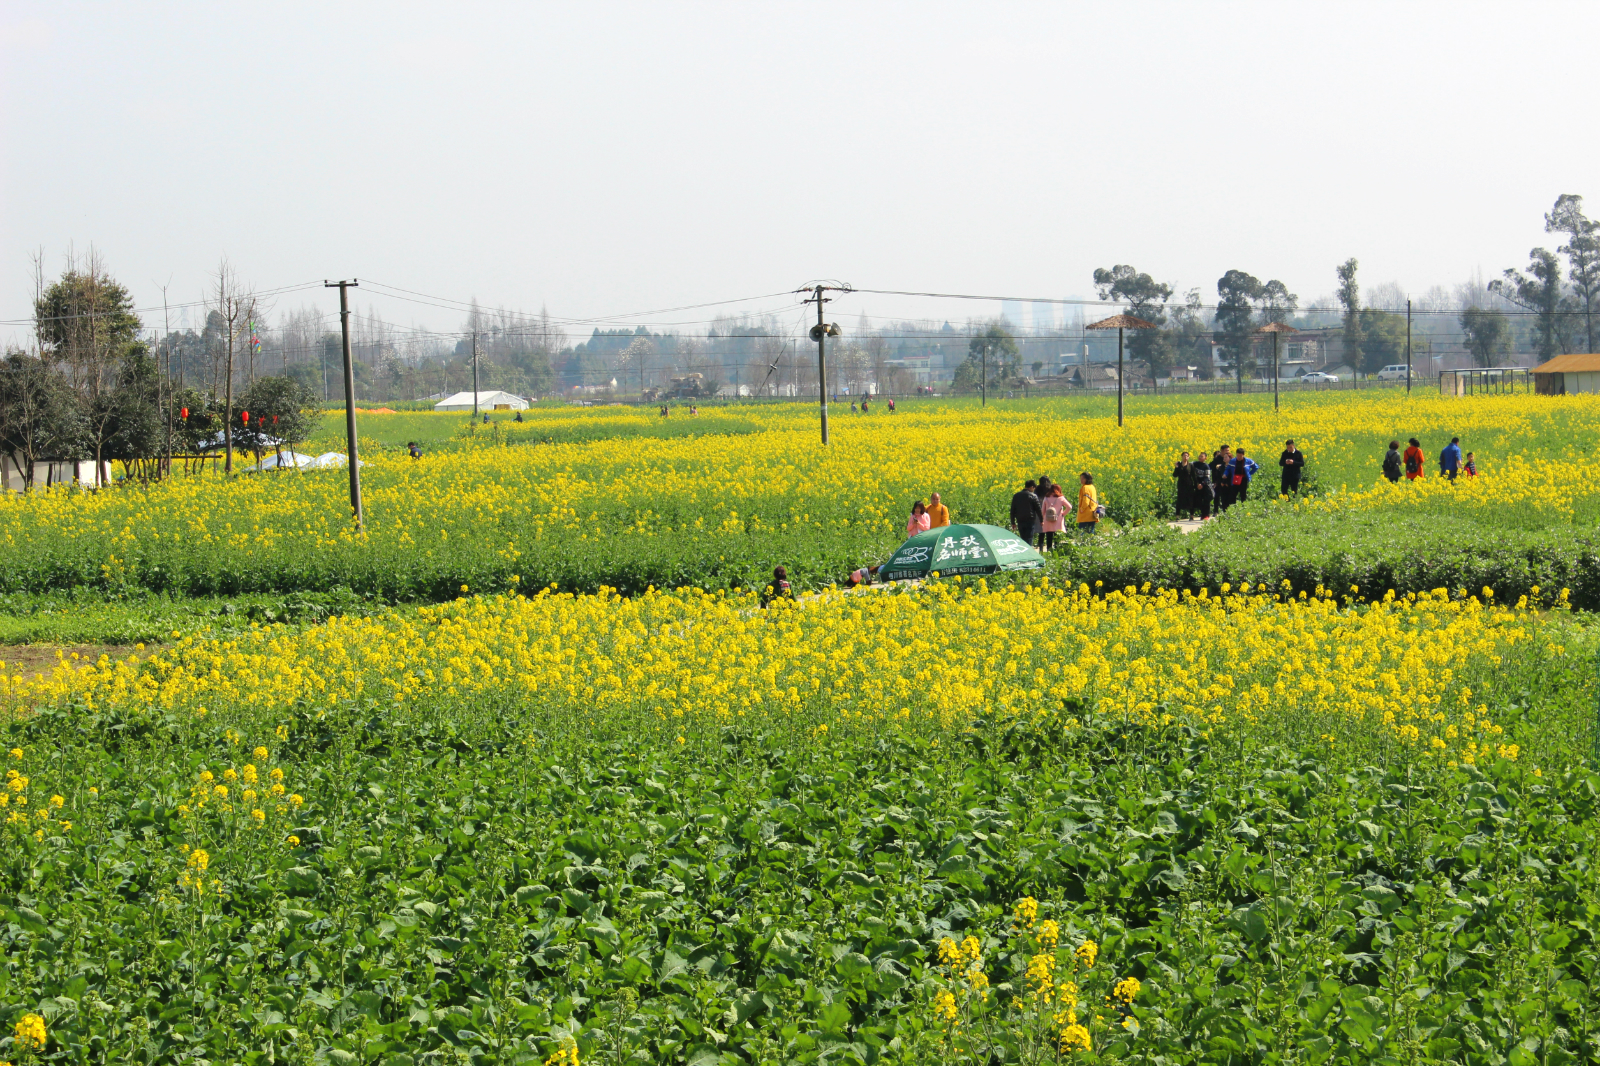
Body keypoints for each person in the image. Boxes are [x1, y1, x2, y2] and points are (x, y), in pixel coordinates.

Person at [1010, 479, 1043, 546]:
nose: (1034, 490)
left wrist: (1013, 522)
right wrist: (1041, 520)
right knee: (1029, 538)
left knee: (1023, 538)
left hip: (1020, 520)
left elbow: (1012, 510)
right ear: (1031, 487)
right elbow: (1038, 509)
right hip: (1030, 520)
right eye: (1034, 488)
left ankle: (1024, 552)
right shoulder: (1033, 496)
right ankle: (1029, 553)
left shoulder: (1016, 496)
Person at [1039, 483, 1068, 550]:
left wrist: (1042, 519)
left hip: (1048, 520)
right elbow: (1069, 507)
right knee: (1057, 537)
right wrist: (1063, 514)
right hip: (1058, 519)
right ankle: (1056, 551)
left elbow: (1042, 510)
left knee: (1049, 537)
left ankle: (1049, 551)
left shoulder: (1046, 498)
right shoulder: (1061, 498)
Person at [1172, 451, 1197, 517]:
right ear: (1182, 457)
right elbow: (1175, 475)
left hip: (1189, 484)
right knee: (1180, 499)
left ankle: (1191, 515)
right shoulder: (1179, 465)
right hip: (1181, 485)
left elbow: (1194, 476)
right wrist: (1176, 467)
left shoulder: (1190, 465)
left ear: (1188, 457)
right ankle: (1177, 516)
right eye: (1184, 456)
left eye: (1187, 456)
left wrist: (1196, 484)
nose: (1185, 457)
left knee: (1190, 499)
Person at [1191, 451, 1214, 520]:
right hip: (1197, 485)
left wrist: (1202, 484)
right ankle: (1202, 513)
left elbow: (1207, 477)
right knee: (1198, 500)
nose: (1200, 457)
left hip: (1205, 485)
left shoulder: (1206, 466)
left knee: (1206, 501)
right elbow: (1187, 464)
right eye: (1199, 456)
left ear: (1205, 458)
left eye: (1202, 456)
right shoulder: (1194, 464)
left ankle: (1206, 515)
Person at [1211, 446, 1234, 512]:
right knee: (1219, 497)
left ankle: (1229, 512)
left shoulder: (1232, 465)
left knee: (1229, 499)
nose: (1228, 451)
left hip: (1230, 484)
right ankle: (1217, 511)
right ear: (1222, 450)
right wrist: (1217, 481)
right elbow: (1214, 471)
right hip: (1220, 483)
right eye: (1226, 450)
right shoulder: (1217, 460)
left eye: (1228, 450)